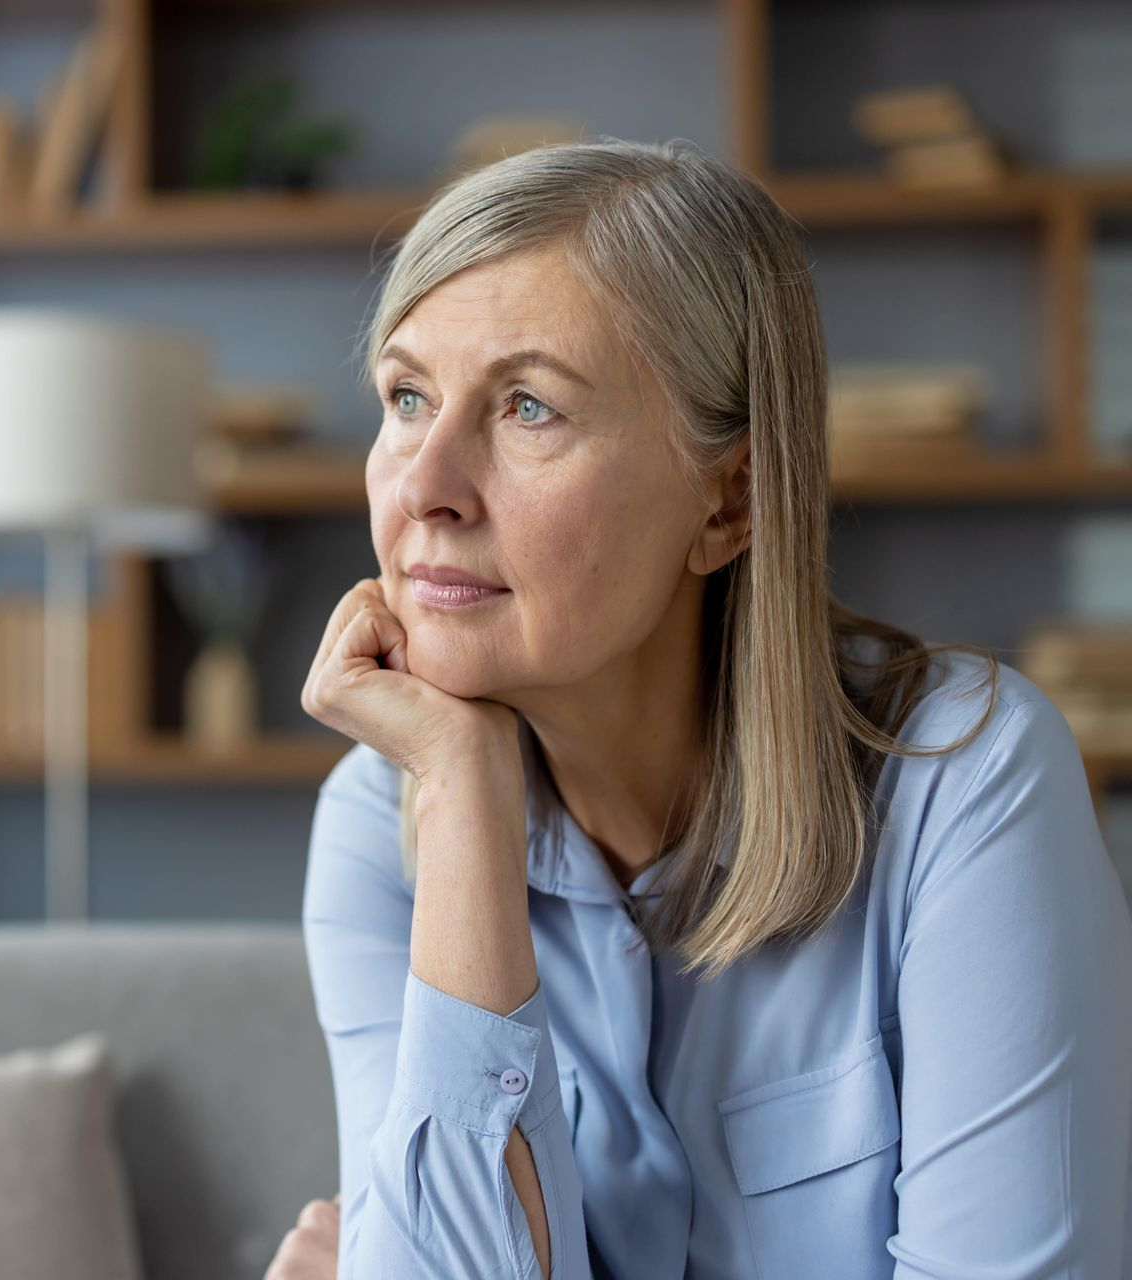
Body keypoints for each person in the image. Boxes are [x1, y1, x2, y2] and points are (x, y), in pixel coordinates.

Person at [278, 137, 1132, 1279]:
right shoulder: (380, 821)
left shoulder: (966, 779)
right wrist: (467, 803)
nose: (425, 484)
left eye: (528, 406)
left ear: (727, 498)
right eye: (406, 395)